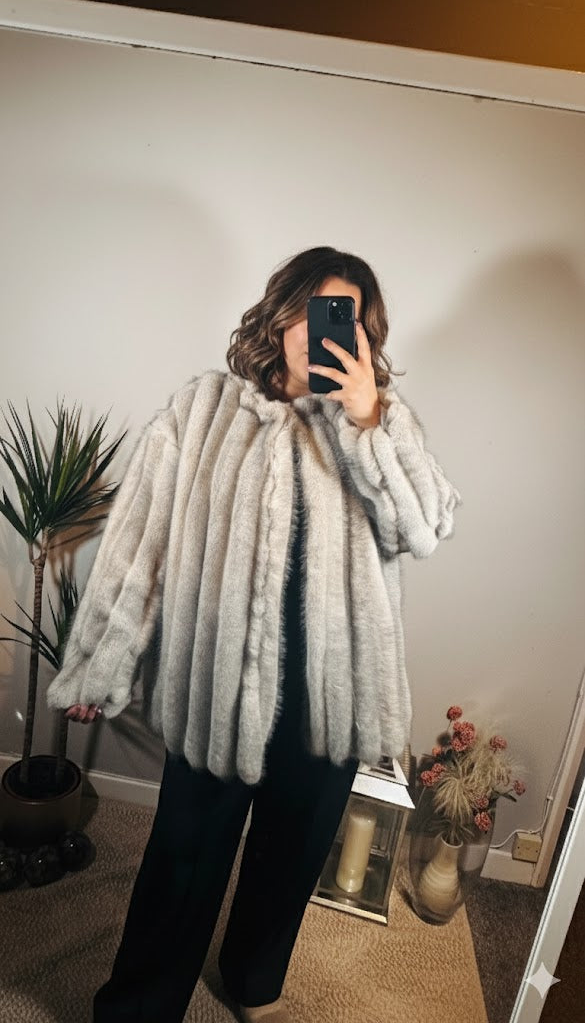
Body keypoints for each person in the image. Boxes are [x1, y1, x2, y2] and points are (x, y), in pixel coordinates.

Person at [47, 246, 461, 1023]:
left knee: (292, 852)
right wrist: (101, 662)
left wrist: (370, 420)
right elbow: (141, 547)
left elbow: (424, 527)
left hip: (330, 696)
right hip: (217, 684)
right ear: (282, 312)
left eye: (347, 320)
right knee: (182, 856)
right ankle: (140, 1005)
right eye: (317, 311)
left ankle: (251, 980)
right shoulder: (201, 414)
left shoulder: (377, 422)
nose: (326, 332)